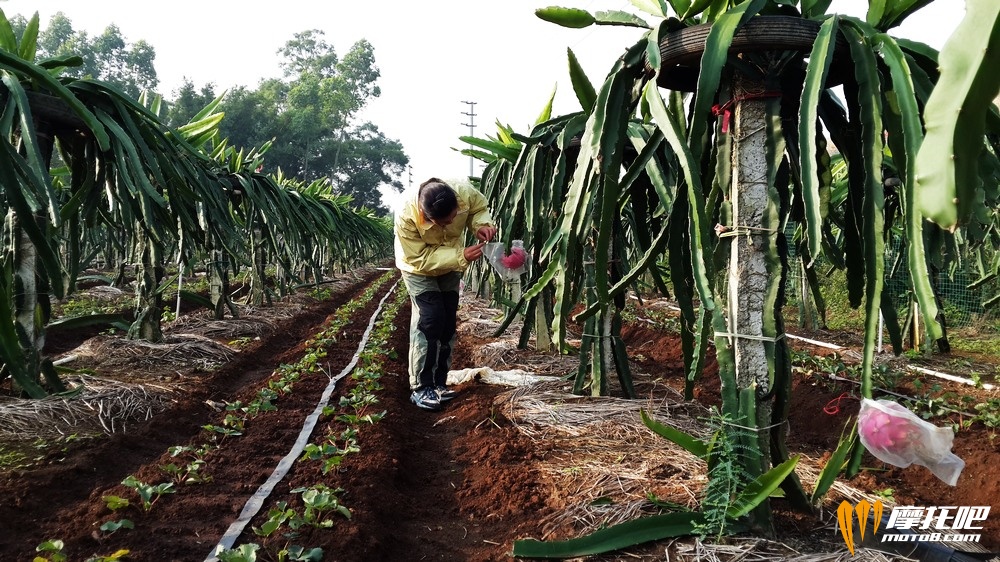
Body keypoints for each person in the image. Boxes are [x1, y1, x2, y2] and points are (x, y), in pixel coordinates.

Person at [394, 178, 497, 411]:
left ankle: (439, 383)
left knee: (448, 320)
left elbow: (479, 209)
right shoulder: (406, 215)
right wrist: (461, 256)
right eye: (445, 222)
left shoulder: (464, 192)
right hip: (418, 268)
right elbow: (419, 258)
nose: (451, 223)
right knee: (430, 319)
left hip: (450, 265)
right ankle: (421, 386)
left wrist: (481, 224)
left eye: (454, 217)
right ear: (426, 216)